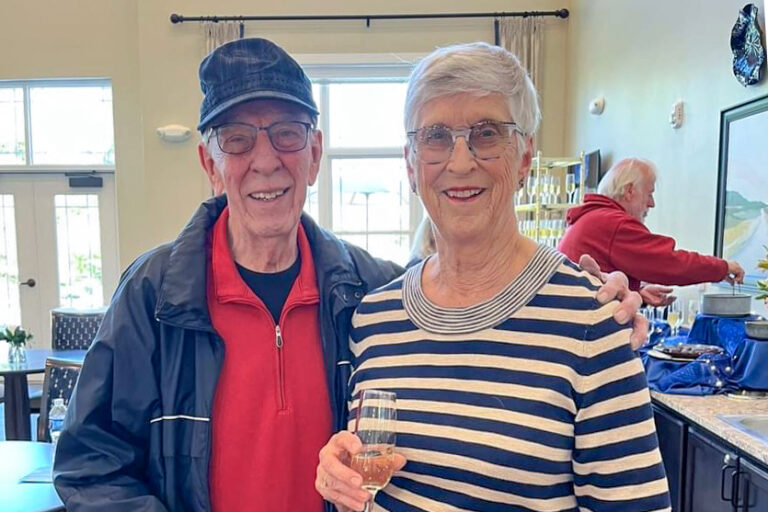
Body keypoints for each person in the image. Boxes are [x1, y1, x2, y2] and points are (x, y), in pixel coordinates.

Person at [53, 38, 641, 512]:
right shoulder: (154, 296)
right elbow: (89, 463)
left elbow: (480, 302)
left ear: (314, 153)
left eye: (286, 133)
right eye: (237, 140)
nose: (265, 160)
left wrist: (595, 302)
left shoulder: (370, 293)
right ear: (210, 163)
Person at [316, 43, 670, 512]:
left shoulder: (593, 320)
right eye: (436, 136)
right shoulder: (374, 319)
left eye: (486, 133)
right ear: (410, 163)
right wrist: (338, 473)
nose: (460, 163)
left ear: (524, 157)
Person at [558, 157, 744, 306]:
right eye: (649, 193)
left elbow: (595, 284)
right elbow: (669, 263)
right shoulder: (613, 224)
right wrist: (722, 267)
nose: (651, 203)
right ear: (629, 190)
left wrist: (636, 293)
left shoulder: (591, 218)